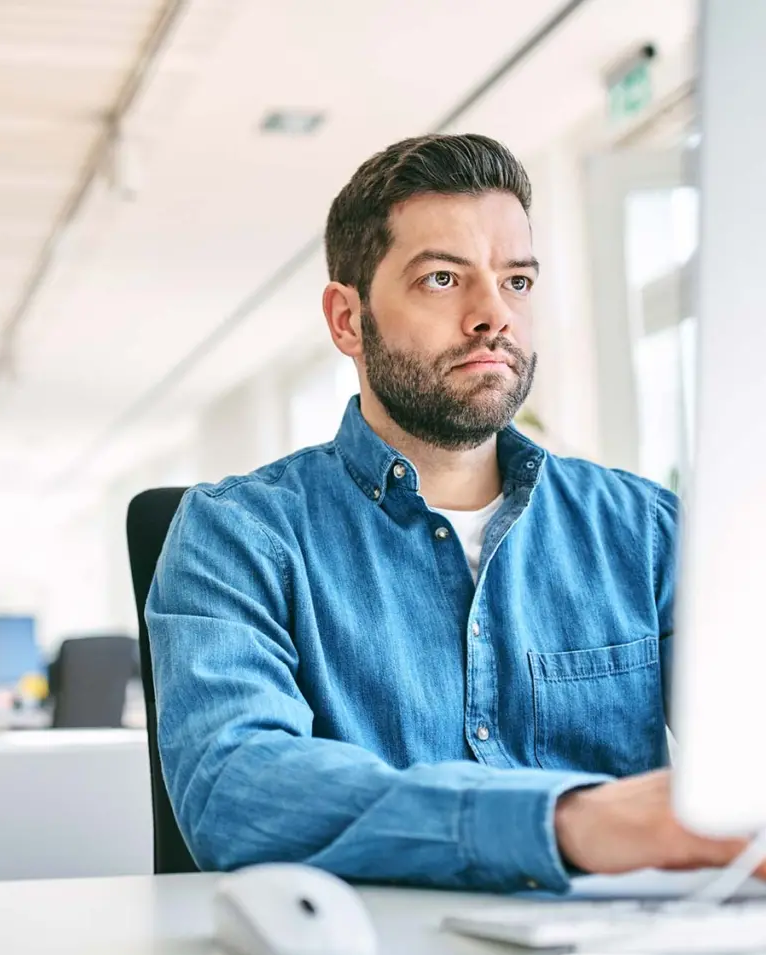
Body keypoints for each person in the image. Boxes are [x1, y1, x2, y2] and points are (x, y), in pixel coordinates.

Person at [146, 134, 763, 891]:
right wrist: (568, 821)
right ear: (347, 320)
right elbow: (234, 789)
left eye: (517, 282)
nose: (492, 316)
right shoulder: (238, 536)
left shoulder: (646, 532)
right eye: (442, 278)